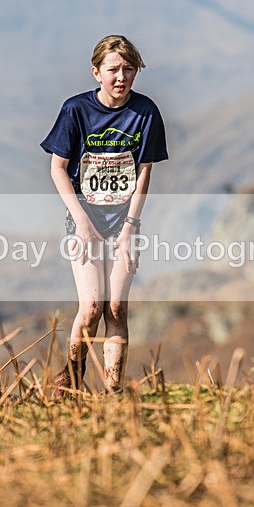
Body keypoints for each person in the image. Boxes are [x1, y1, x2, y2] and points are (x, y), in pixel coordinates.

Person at [40, 34, 169, 396]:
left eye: (129, 69)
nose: (121, 77)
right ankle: (72, 384)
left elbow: (145, 171)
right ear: (96, 72)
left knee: (116, 308)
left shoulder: (145, 112)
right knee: (93, 305)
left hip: (124, 223)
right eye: (113, 69)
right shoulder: (75, 110)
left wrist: (131, 227)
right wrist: (80, 219)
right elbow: (57, 168)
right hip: (84, 221)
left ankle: (112, 391)